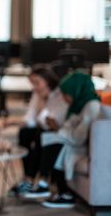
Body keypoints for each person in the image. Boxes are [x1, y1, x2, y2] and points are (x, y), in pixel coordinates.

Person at [23, 71, 100, 209]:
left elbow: (79, 137)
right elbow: (70, 127)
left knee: (54, 141)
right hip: (75, 143)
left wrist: (59, 131)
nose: (64, 98)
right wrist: (58, 129)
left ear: (76, 90)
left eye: (66, 94)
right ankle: (47, 185)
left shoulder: (92, 106)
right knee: (47, 136)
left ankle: (49, 185)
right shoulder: (80, 104)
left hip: (83, 147)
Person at [6, 66, 68, 197]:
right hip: (42, 128)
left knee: (41, 135)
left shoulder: (59, 94)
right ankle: (28, 178)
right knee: (24, 132)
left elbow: (51, 121)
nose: (34, 87)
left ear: (47, 80)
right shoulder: (37, 94)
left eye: (37, 82)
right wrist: (14, 121)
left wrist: (44, 102)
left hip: (55, 130)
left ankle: (33, 179)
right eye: (32, 83)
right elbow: (31, 119)